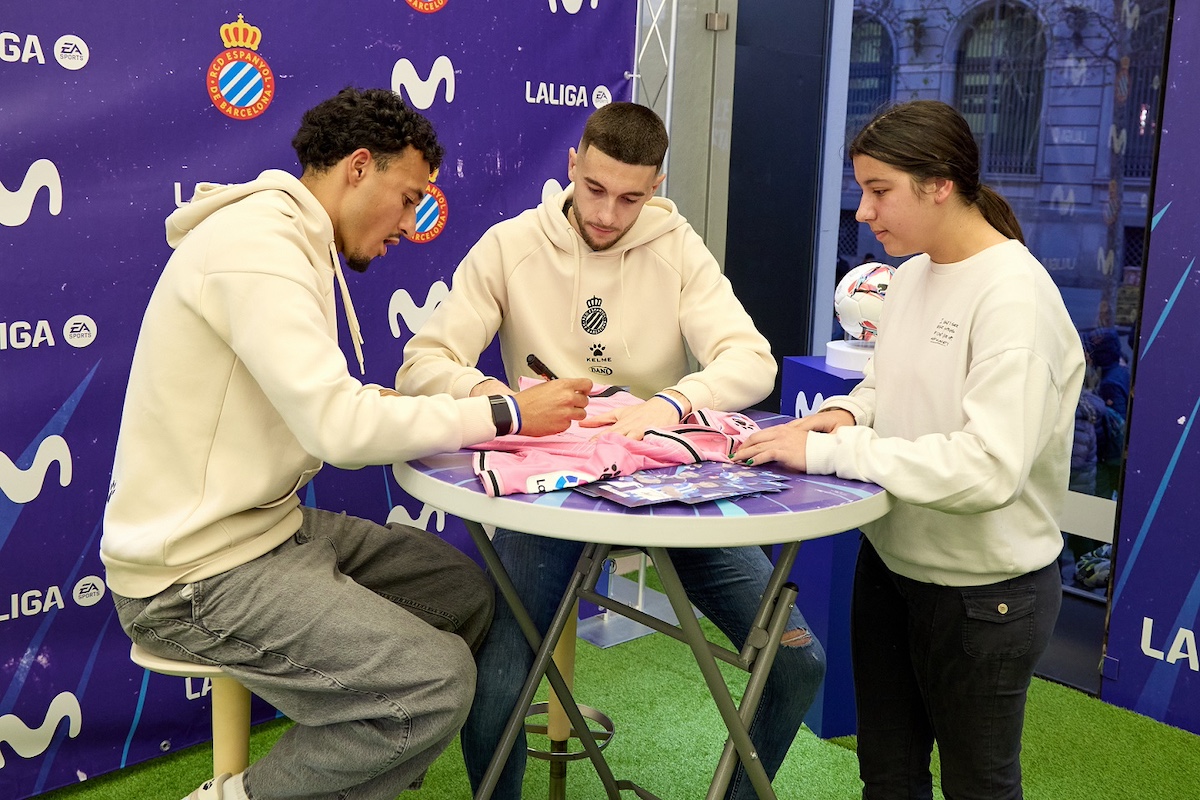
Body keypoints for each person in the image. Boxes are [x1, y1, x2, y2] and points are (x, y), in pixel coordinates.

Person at [100, 87, 592, 800]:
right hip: (193, 575)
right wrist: (508, 415)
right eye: (410, 196)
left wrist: (471, 403)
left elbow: (329, 402)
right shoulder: (257, 247)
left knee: (464, 596)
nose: (415, 221)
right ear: (359, 166)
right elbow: (338, 427)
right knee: (433, 683)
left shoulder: (296, 241)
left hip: (268, 531)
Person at [397, 101, 827, 800]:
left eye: (631, 197)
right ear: (573, 164)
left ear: (656, 185)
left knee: (798, 665)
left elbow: (752, 362)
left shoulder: (676, 245)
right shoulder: (511, 245)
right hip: (553, 491)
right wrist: (507, 403)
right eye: (595, 189)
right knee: (501, 682)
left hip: (661, 483)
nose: (606, 213)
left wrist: (668, 404)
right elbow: (421, 365)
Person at [734, 100, 1084, 800]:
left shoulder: (1015, 301)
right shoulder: (917, 272)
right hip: (893, 569)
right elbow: (884, 385)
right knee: (887, 777)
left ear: (941, 183)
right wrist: (833, 416)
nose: (862, 212)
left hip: (987, 597)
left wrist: (834, 454)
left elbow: (989, 469)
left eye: (878, 190)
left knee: (977, 787)